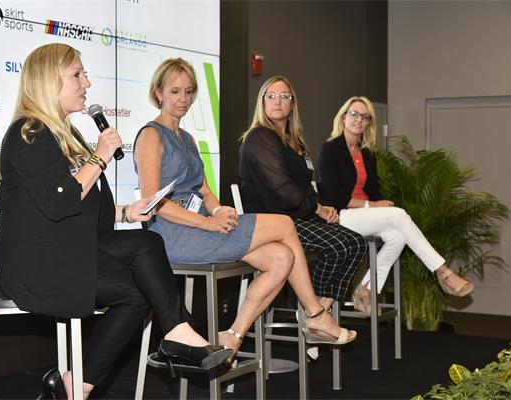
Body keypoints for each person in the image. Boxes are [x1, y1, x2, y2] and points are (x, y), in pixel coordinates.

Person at [0, 43, 231, 400]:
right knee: (135, 295)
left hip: (67, 248)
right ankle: (78, 384)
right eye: (77, 74)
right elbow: (60, 202)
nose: (87, 83)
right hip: (36, 263)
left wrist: (126, 212)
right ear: (48, 80)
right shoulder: (28, 133)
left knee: (148, 242)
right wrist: (101, 157)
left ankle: (177, 330)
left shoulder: (66, 135)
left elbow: (89, 210)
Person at [133, 59, 357, 361]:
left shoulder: (187, 139)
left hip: (199, 226)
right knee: (284, 226)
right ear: (158, 93)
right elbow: (153, 203)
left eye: (188, 92)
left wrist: (218, 211)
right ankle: (316, 314)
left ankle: (233, 335)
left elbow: (205, 191)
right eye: (175, 91)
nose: (183, 99)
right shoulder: (151, 135)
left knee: (282, 257)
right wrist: (207, 224)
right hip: (171, 235)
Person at [317, 96, 474, 314]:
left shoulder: (367, 155)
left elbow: (374, 191)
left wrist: (377, 205)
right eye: (353, 114)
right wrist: (371, 206)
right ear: (343, 117)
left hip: (363, 216)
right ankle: (442, 271)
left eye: (365, 117)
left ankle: (366, 289)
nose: (358, 120)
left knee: (398, 236)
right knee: (399, 215)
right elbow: (333, 196)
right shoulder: (330, 150)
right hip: (339, 216)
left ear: (369, 124)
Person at [238, 75, 368, 320]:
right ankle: (315, 315)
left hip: (298, 217)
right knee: (340, 245)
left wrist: (324, 208)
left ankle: (317, 312)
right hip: (272, 223)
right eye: (271, 96)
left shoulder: (295, 143)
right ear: (262, 102)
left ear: (292, 104)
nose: (278, 102)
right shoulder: (259, 138)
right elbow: (282, 189)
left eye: (284, 97)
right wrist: (317, 209)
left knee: (357, 244)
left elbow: (305, 188)